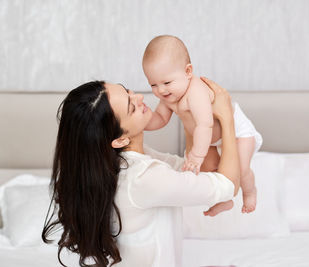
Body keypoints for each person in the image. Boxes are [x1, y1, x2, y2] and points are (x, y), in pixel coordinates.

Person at [42, 77, 240, 267]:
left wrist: (190, 116)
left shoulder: (121, 163)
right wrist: (226, 117)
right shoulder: (144, 177)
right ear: (120, 140)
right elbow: (228, 185)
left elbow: (196, 170)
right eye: (131, 106)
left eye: (128, 91)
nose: (140, 98)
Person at [142, 35, 262, 215]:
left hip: (237, 132)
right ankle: (226, 201)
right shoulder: (169, 97)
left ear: (188, 71)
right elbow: (160, 118)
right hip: (210, 139)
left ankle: (250, 192)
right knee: (209, 171)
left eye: (166, 82)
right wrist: (140, 123)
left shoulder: (195, 92)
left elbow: (205, 124)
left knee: (241, 169)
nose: (161, 90)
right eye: (153, 84)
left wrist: (196, 156)